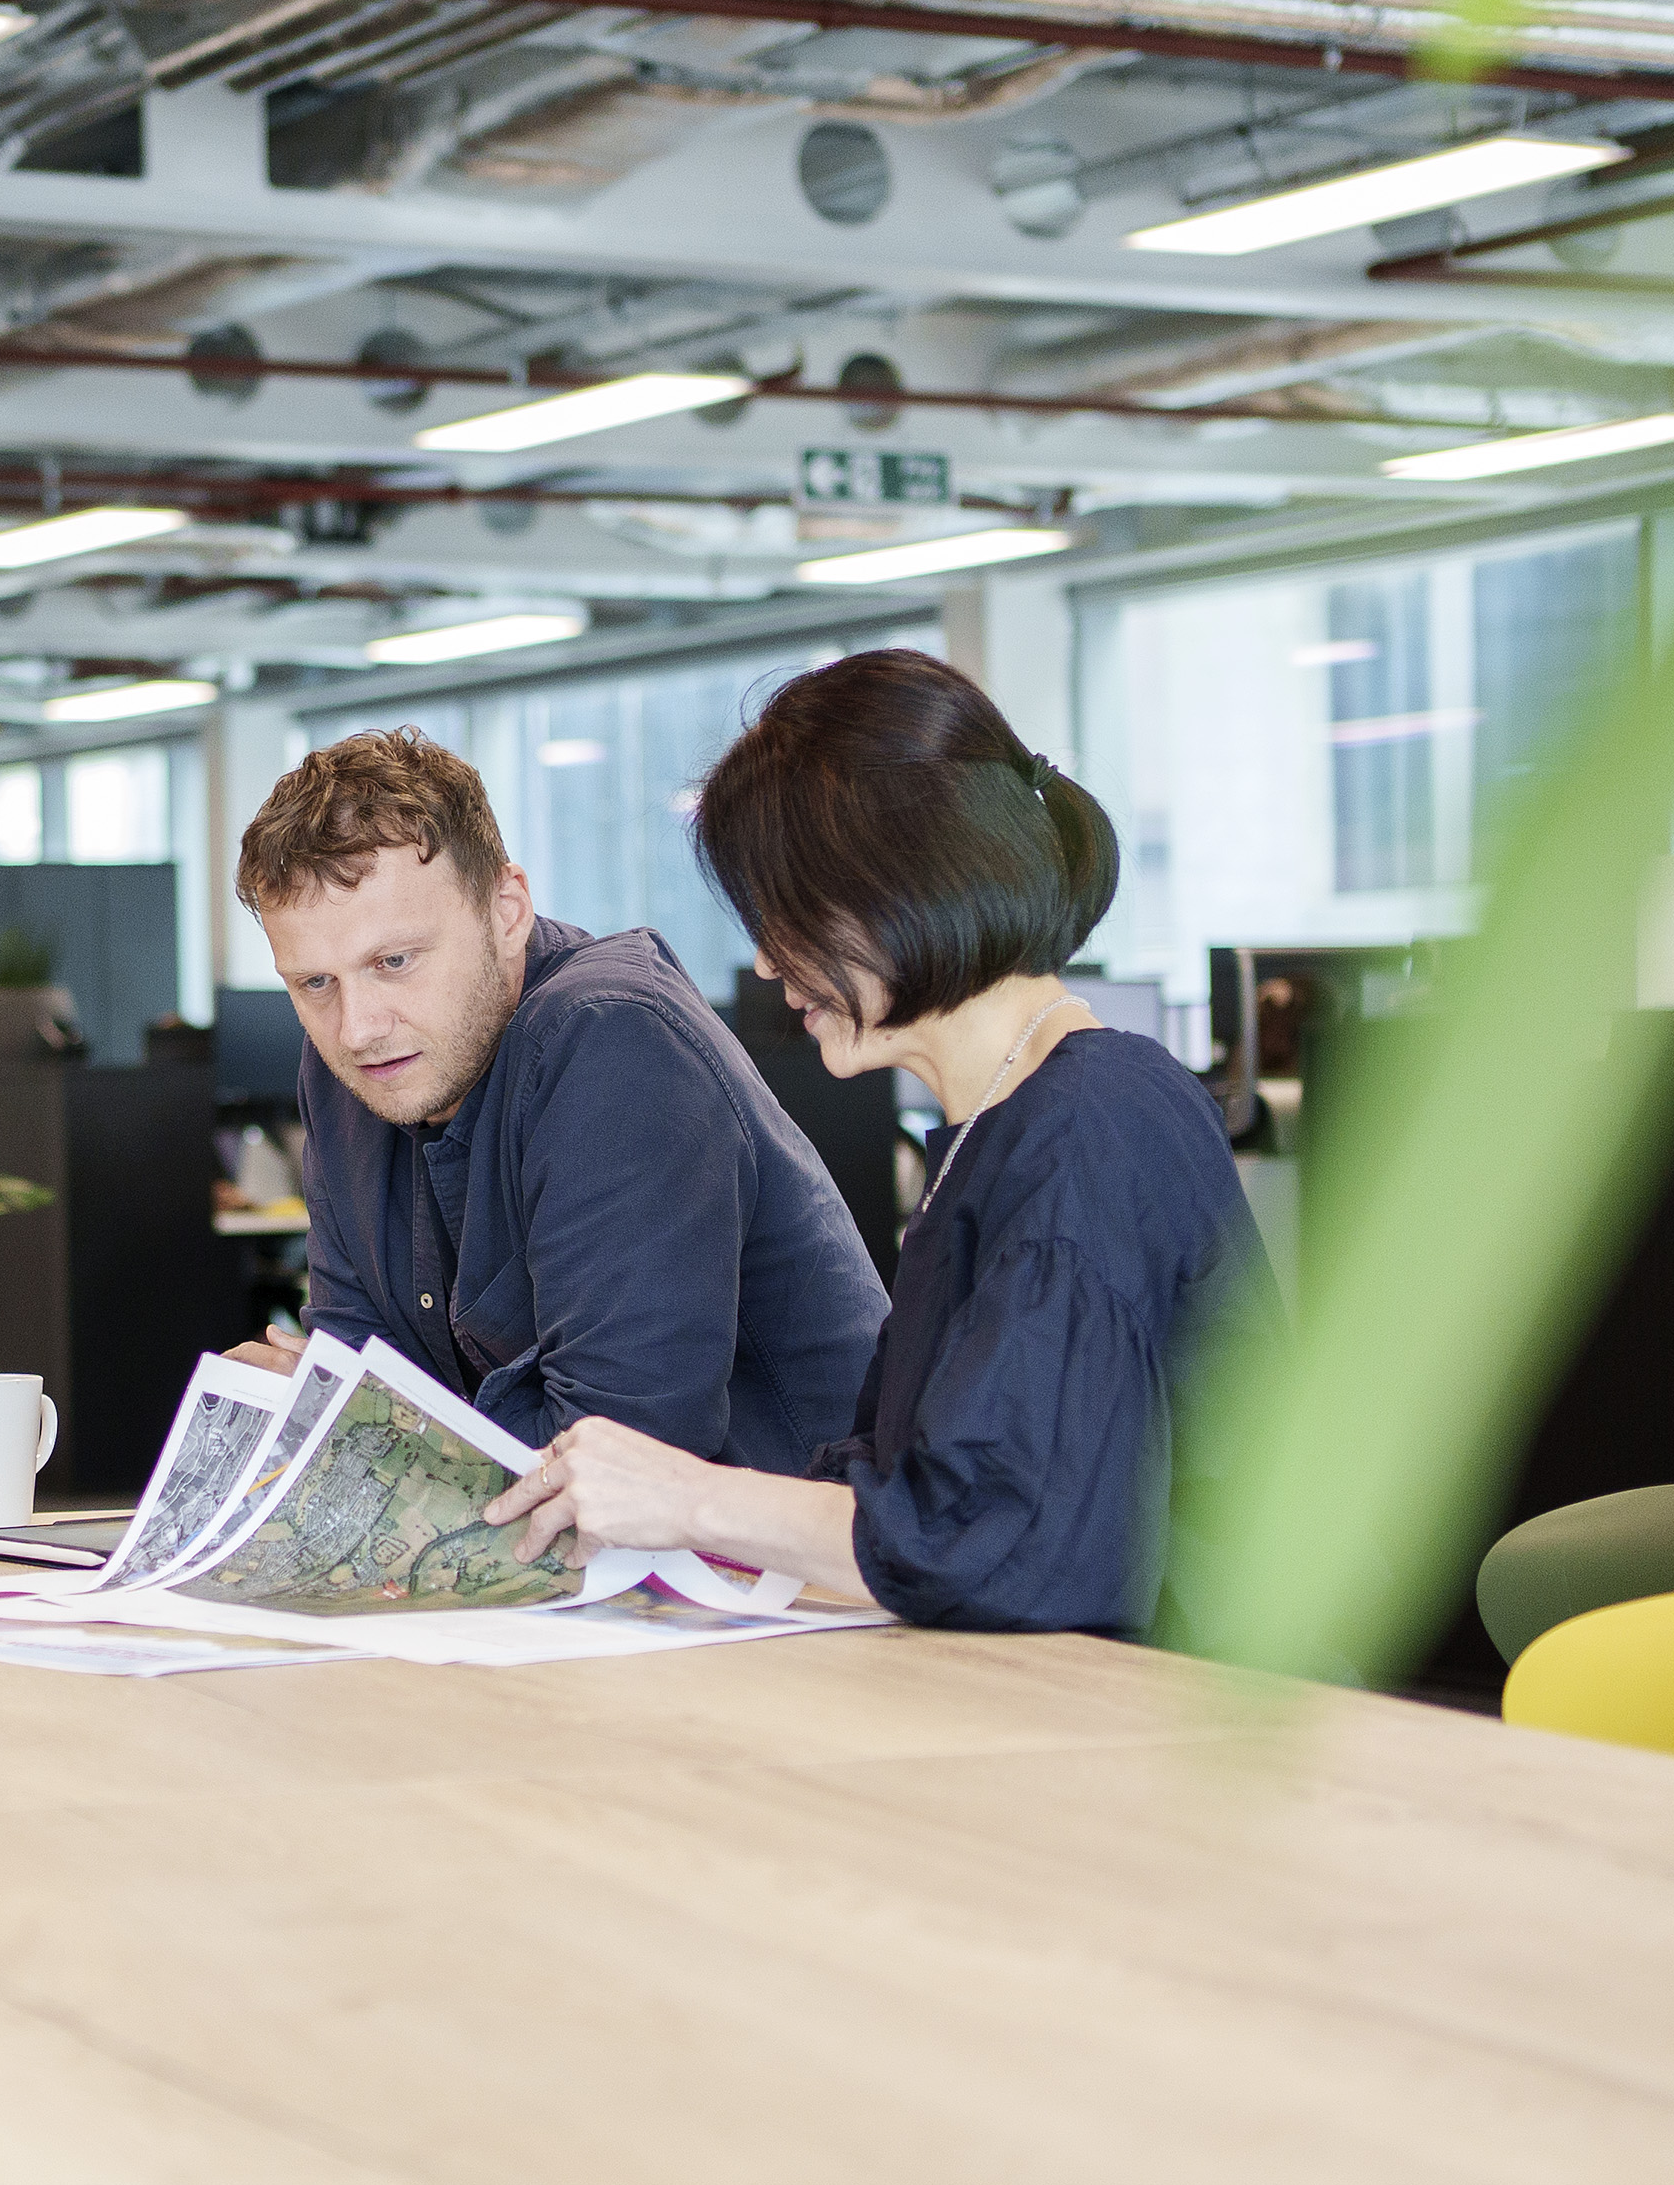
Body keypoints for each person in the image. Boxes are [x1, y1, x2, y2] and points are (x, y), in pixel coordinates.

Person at [482, 653, 1255, 1631]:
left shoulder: (1088, 1127)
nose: (768, 960)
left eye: (791, 916)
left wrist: (689, 1497)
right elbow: (909, 1488)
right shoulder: (998, 1128)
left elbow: (1008, 1546)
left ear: (904, 886)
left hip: (1155, 1729)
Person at [235, 728, 884, 1472]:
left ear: (507, 910)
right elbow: (348, 1374)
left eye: (395, 960)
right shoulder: (347, 1074)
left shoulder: (613, 1041)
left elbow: (619, 1460)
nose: (357, 1028)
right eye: (315, 982)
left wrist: (364, 1428)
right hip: (569, 1575)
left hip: (793, 1573)